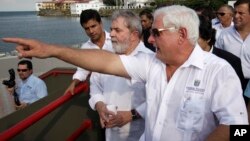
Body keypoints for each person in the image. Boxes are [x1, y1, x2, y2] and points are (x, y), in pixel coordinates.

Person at [3, 5, 249, 141]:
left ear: (182, 35)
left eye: (156, 32)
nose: (150, 38)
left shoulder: (218, 72)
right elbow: (104, 62)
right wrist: (50, 49)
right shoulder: (153, 64)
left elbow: (240, 130)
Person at [89, 10, 152, 141]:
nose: (111, 34)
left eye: (117, 30)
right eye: (111, 29)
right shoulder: (105, 55)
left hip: (140, 133)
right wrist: (100, 105)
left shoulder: (150, 59)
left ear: (134, 35)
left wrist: (132, 115)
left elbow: (159, 98)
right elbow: (95, 84)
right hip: (111, 133)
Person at [198, 15, 248, 103]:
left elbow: (236, 95)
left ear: (208, 38)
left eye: (195, 38)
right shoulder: (179, 59)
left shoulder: (231, 61)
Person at [64, 9, 113, 95]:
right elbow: (82, 70)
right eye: (87, 28)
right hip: (99, 93)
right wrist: (74, 83)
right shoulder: (85, 48)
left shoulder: (115, 40)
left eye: (93, 26)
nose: (91, 31)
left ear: (101, 23)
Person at [215, 0, 250, 106]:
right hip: (228, 84)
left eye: (241, 13)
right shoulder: (224, 35)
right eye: (235, 12)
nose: (236, 16)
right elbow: (216, 59)